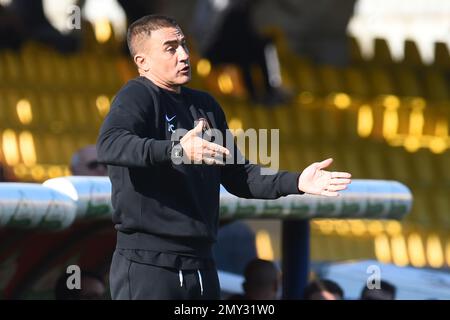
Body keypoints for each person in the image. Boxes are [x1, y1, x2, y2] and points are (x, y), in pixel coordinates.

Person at [96, 14, 351, 300]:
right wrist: (177, 150)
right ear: (142, 62)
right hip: (149, 263)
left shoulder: (205, 106)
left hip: (201, 262)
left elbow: (240, 176)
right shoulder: (137, 95)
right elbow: (110, 144)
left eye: (183, 45)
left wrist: (297, 182)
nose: (183, 55)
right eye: (170, 48)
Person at [192, 0, 289, 106]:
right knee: (251, 49)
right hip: (215, 49)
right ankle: (261, 92)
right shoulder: (228, 8)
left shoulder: (240, 9)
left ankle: (265, 91)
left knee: (258, 48)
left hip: (231, 45)